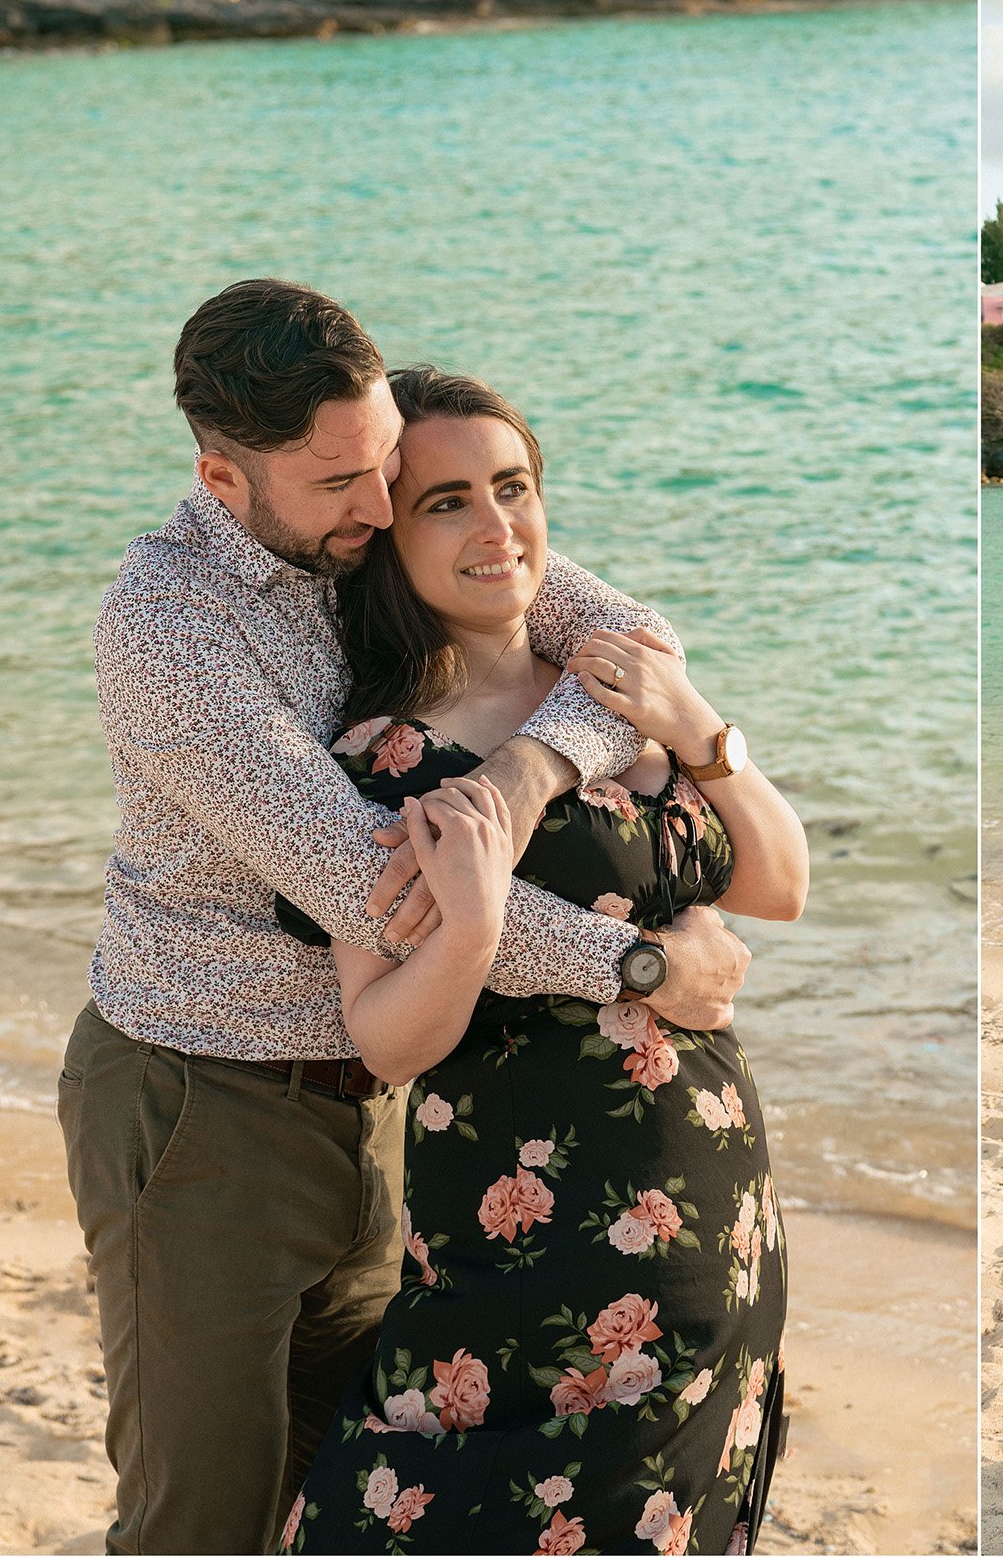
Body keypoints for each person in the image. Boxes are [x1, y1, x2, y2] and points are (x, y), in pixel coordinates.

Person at [60, 281, 749, 1555]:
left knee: (338, 1497)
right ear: (223, 479)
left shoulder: (361, 513)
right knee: (200, 1520)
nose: (380, 510)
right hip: (200, 1109)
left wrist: (527, 771)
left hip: (379, 1107)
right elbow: (381, 888)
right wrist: (641, 964)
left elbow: (632, 639)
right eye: (338, 486)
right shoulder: (169, 631)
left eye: (384, 466)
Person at [278, 367, 808, 1555]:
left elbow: (777, 884)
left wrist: (698, 725)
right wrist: (469, 932)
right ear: (386, 538)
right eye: (446, 501)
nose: (494, 526)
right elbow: (386, 1039)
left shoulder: (613, 696)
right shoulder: (382, 762)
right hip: (515, 1245)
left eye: (511, 489)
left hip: (714, 1221)